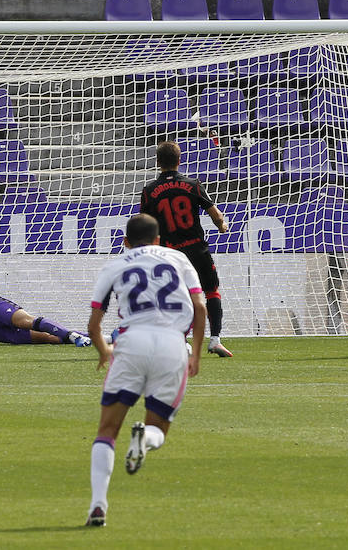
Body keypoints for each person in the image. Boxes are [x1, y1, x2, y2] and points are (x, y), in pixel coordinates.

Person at [83, 214, 207, 527]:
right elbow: (200, 307)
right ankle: (145, 439)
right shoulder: (178, 258)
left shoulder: (115, 265)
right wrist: (196, 354)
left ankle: (98, 505)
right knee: (159, 429)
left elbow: (94, 325)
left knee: (107, 431)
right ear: (158, 240)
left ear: (125, 242)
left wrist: (103, 351)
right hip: (172, 345)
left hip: (131, 342)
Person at [138, 141, 232, 357]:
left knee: (174, 296)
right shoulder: (192, 185)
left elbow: (143, 224)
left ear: (158, 162)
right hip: (196, 249)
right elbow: (216, 215)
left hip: (169, 253)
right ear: (179, 161)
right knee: (211, 291)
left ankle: (180, 340)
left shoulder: (149, 191)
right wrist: (222, 227)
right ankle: (215, 340)